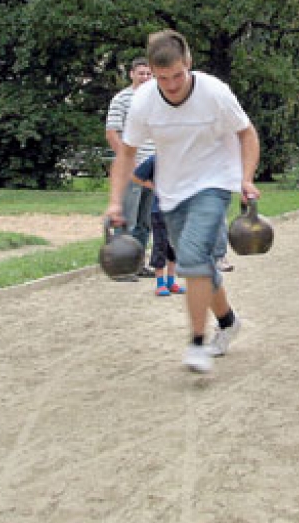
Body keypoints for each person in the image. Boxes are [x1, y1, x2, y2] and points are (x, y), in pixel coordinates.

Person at [107, 29, 260, 373]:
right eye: (163, 78)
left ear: (188, 63)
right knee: (198, 264)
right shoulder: (144, 101)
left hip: (214, 183)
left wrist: (246, 178)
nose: (172, 85)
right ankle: (228, 321)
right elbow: (127, 154)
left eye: (178, 75)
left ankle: (197, 343)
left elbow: (247, 133)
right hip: (171, 192)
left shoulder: (214, 93)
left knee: (190, 257)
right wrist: (115, 201)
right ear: (151, 72)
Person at [105, 58, 157, 278]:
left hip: (151, 167)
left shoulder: (156, 99)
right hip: (132, 168)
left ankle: (138, 263)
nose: (145, 77)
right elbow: (112, 133)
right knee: (127, 219)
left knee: (146, 221)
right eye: (141, 73)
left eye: (148, 74)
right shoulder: (122, 99)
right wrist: (127, 161)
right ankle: (121, 266)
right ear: (132, 74)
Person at [131, 155, 185, 297]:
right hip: (160, 211)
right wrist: (153, 186)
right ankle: (160, 283)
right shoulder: (155, 159)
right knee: (160, 246)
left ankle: (171, 281)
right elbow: (136, 176)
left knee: (174, 247)